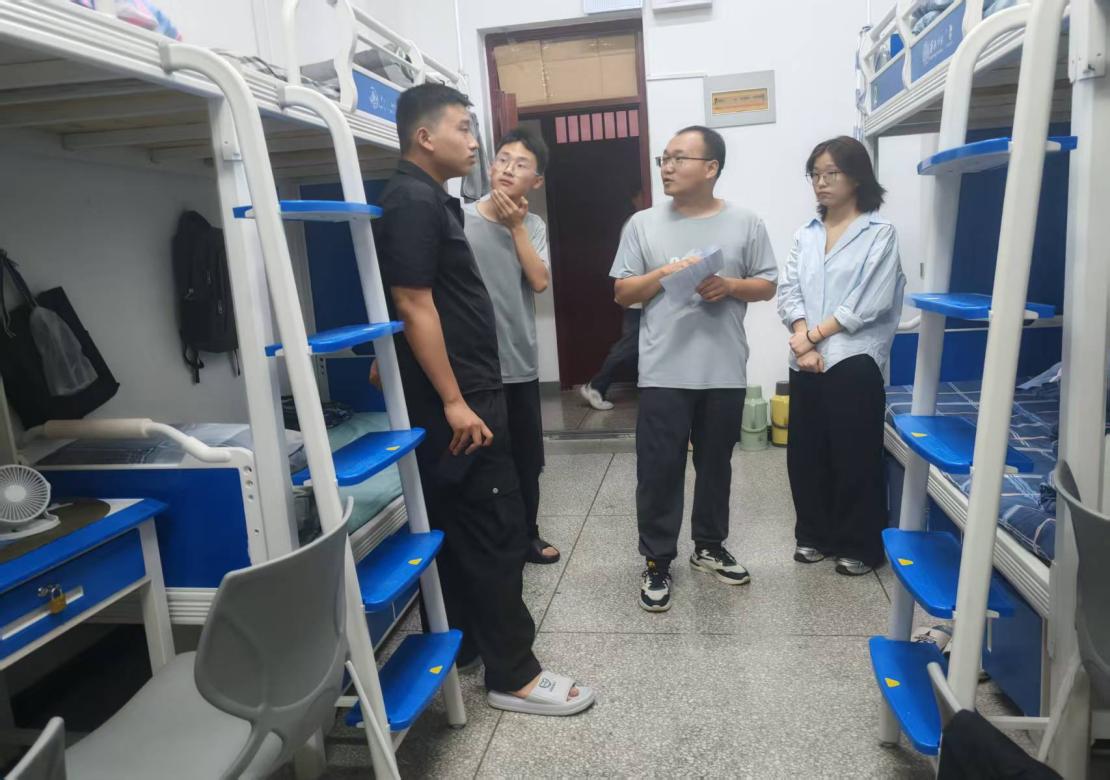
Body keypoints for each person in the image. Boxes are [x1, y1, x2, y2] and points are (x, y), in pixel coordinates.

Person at [373, 82, 593, 715]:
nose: (477, 143)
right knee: (497, 528)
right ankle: (514, 674)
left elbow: (425, 297)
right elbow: (412, 301)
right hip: (463, 397)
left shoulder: (432, 201)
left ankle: (466, 642)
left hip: (472, 385)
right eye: (465, 129)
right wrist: (452, 399)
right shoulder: (415, 201)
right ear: (425, 137)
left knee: (463, 523)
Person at [610, 125, 778, 613]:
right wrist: (665, 273)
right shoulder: (642, 224)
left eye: (678, 158)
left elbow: (767, 284)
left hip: (723, 368)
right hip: (662, 370)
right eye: (664, 158)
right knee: (658, 471)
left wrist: (729, 286)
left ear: (711, 168)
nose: (667, 167)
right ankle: (657, 559)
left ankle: (709, 547)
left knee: (716, 465)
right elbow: (622, 292)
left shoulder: (746, 222)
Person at [776, 135, 905, 576]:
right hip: (805, 357)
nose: (821, 182)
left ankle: (859, 545)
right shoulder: (806, 234)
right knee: (806, 454)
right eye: (815, 174)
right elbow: (788, 290)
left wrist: (811, 337)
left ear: (857, 177)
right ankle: (814, 535)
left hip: (854, 357)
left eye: (832, 173)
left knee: (854, 454)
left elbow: (870, 302)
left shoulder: (879, 233)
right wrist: (802, 337)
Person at [464, 127, 558, 565]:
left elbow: (538, 281)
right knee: (481, 458)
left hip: (518, 361)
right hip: (470, 364)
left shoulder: (533, 226)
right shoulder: (459, 218)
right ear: (490, 166)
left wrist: (517, 227)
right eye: (503, 159)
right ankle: (488, 539)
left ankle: (527, 536)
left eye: (521, 165)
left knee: (526, 459)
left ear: (535, 182)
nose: (508, 169)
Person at [579, 184, 646, 412]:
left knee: (633, 345)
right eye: (641, 195)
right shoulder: (635, 223)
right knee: (629, 346)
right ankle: (596, 386)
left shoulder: (642, 221)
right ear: (635, 198)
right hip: (637, 299)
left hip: (643, 297)